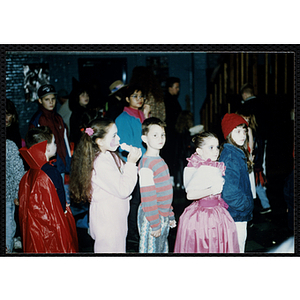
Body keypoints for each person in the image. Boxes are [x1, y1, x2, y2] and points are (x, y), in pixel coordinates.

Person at [69, 118, 142, 253]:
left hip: (115, 218)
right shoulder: (100, 163)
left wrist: (132, 163)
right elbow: (123, 189)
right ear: (100, 141)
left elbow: (123, 174)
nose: (118, 138)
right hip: (108, 222)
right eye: (114, 135)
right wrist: (131, 163)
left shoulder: (109, 155)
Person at [174, 132, 239, 253]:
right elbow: (190, 195)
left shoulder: (211, 166)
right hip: (203, 215)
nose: (216, 151)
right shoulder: (201, 168)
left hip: (217, 211)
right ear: (199, 151)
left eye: (217, 147)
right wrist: (212, 190)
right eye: (211, 147)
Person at [18, 126, 78, 253]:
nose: (56, 145)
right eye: (54, 142)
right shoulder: (52, 172)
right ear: (46, 147)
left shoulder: (29, 174)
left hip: (35, 230)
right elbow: (61, 203)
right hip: (54, 227)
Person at [115, 84, 150, 251]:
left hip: (144, 163)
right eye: (135, 96)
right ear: (127, 99)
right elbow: (124, 145)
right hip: (133, 164)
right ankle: (133, 236)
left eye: (141, 96)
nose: (140, 99)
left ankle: (140, 231)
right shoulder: (123, 118)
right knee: (134, 201)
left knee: (143, 199)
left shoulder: (141, 115)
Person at [138, 117, 176, 253]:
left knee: (161, 249)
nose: (160, 138)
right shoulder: (146, 164)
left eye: (162, 134)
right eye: (155, 135)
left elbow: (165, 192)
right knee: (151, 251)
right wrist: (154, 223)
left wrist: (170, 214)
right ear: (144, 138)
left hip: (162, 215)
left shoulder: (159, 160)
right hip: (152, 216)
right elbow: (148, 197)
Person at [219, 113, 254, 253]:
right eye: (237, 131)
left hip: (236, 213)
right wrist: (246, 204)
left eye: (244, 131)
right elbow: (229, 192)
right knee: (237, 248)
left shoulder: (235, 153)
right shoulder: (232, 157)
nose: (242, 135)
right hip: (236, 214)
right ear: (229, 133)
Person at [29, 84, 72, 178]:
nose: (51, 102)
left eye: (53, 99)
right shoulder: (37, 120)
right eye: (47, 99)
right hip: (46, 166)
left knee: (61, 191)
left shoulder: (58, 118)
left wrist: (68, 161)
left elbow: (65, 141)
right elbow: (33, 146)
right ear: (40, 101)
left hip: (61, 163)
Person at [236, 108, 271, 214]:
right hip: (244, 161)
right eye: (244, 118)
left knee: (253, 187)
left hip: (250, 162)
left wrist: (254, 160)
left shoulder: (250, 130)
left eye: (248, 119)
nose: (246, 120)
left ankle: (251, 211)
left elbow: (251, 148)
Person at [161, 77, 182, 184]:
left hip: (172, 132)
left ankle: (171, 178)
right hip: (170, 132)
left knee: (172, 156)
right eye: (176, 87)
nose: (178, 89)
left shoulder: (172, 100)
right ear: (169, 88)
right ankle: (170, 179)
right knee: (170, 155)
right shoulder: (169, 100)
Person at [6, 139, 25, 253]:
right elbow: (18, 172)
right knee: (7, 230)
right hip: (8, 197)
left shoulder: (9, 145)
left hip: (8, 196)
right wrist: (19, 193)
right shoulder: (8, 145)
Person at [69, 80, 91, 147]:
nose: (86, 97)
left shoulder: (86, 111)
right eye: (82, 95)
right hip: (82, 145)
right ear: (77, 97)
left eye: (87, 94)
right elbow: (78, 133)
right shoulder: (77, 113)